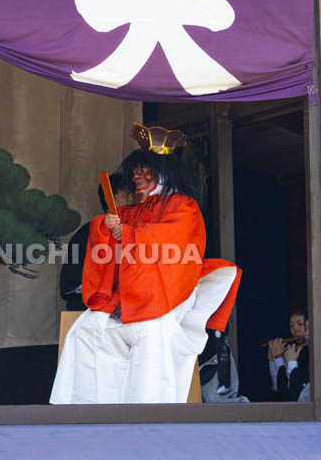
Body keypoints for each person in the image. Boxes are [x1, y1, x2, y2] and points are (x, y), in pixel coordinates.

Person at [50, 123, 241, 404]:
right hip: (126, 298)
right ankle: (84, 408)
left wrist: (127, 233)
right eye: (135, 172)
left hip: (164, 297)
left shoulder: (183, 206)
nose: (136, 177)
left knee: (151, 335)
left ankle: (149, 411)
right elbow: (111, 240)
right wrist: (106, 226)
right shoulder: (133, 210)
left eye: (144, 171)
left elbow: (169, 241)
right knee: (85, 330)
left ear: (164, 172)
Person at [59, 173, 131, 311]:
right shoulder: (88, 232)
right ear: (112, 197)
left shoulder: (136, 230)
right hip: (90, 307)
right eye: (128, 192)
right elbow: (70, 284)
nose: (134, 197)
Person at [267, 308, 310, 402]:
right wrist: (273, 360)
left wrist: (280, 359)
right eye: (291, 326)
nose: (296, 330)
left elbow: (298, 392)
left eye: (300, 324)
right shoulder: (293, 350)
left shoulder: (311, 354)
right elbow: (279, 389)